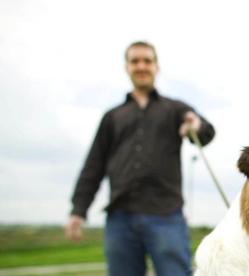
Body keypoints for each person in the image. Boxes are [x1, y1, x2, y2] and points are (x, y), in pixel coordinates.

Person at [64, 41, 215, 276]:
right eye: (135, 61)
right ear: (127, 67)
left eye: (147, 61)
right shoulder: (112, 117)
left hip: (166, 215)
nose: (141, 66)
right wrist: (78, 210)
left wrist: (196, 125)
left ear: (156, 67)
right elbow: (93, 166)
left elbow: (207, 131)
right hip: (119, 219)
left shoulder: (175, 109)